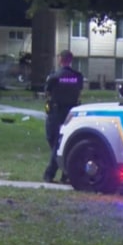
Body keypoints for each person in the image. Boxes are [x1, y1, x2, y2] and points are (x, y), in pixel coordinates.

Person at [43, 50, 84, 183]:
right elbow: (79, 90)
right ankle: (66, 173)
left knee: (54, 141)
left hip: (56, 112)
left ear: (61, 59)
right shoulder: (77, 76)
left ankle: (50, 173)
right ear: (70, 60)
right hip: (71, 112)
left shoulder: (54, 76)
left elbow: (47, 91)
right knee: (61, 142)